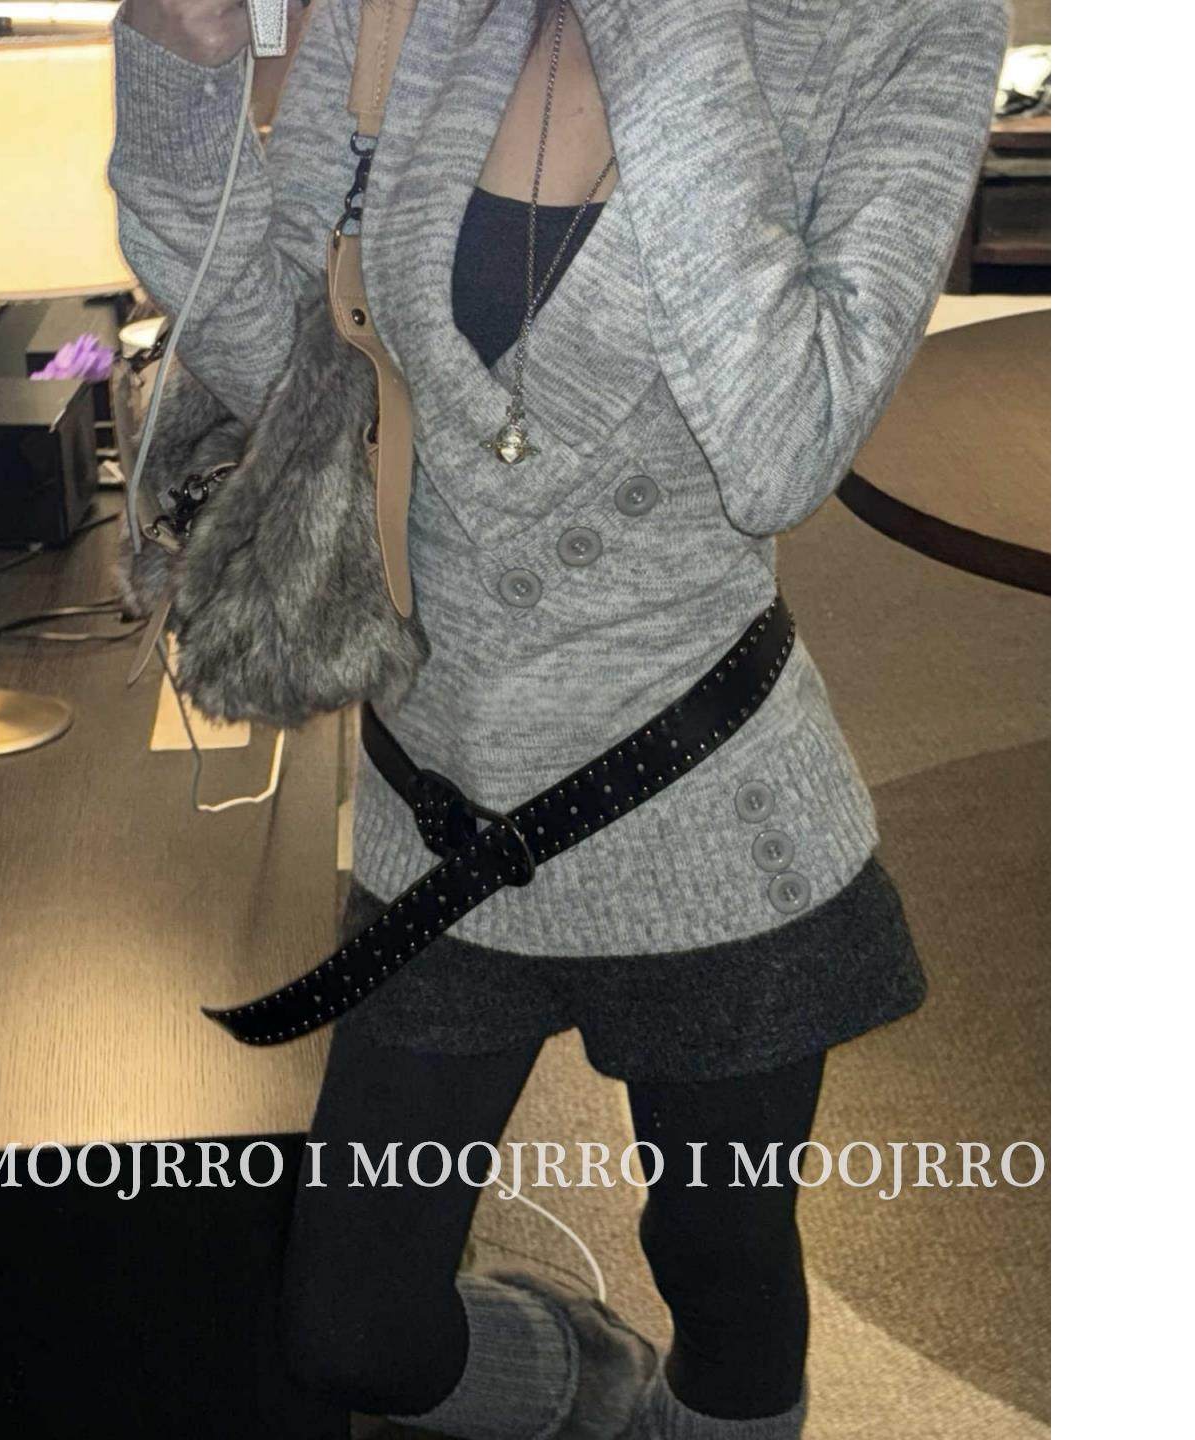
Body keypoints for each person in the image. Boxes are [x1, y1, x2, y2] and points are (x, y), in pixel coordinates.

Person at [108, 0, 1011, 1433]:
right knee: (350, 1329)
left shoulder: (905, 28)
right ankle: (595, 1391)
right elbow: (278, 357)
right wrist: (188, 70)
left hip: (705, 810)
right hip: (439, 802)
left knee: (725, 1272)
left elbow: (782, 452)